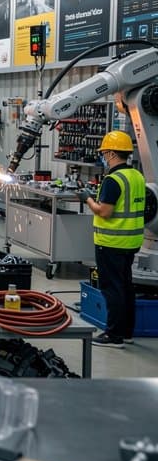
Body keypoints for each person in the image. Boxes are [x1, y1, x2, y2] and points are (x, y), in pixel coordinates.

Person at [80, 130, 145, 348]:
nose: (103, 156)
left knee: (112, 289)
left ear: (110, 153)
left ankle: (114, 335)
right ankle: (126, 332)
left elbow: (104, 211)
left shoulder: (113, 180)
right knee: (126, 286)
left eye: (104, 153)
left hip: (112, 242)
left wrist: (87, 198)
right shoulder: (136, 176)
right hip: (132, 241)